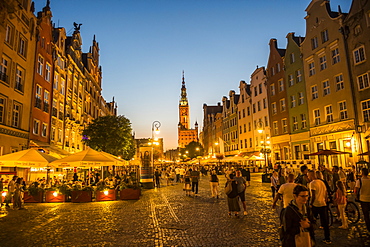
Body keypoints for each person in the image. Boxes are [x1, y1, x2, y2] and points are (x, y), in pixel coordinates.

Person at [308, 170, 331, 244]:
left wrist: (311, 203)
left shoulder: (312, 183)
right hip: (323, 204)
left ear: (311, 175)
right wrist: (324, 199)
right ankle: (327, 238)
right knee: (325, 222)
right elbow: (325, 192)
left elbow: (313, 195)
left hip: (316, 204)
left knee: (311, 221)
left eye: (308, 175)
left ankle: (311, 238)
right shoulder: (322, 182)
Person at [355, 168, 370, 233]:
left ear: (362, 173)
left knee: (366, 215)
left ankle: (369, 228)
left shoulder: (359, 181)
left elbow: (356, 190)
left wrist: (356, 196)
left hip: (363, 199)